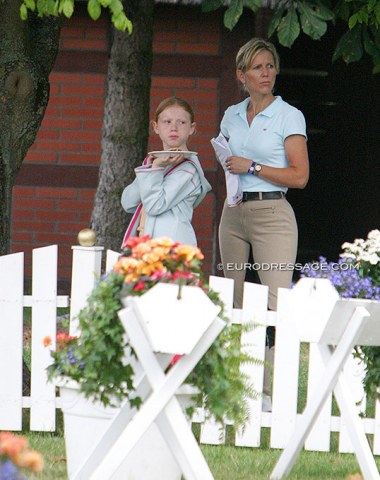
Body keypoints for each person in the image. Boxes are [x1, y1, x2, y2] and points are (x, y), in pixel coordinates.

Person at [218, 38, 309, 410]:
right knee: (232, 301)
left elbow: (300, 177)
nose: (266, 73)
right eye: (257, 67)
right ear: (242, 75)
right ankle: (228, 387)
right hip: (234, 213)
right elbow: (228, 162)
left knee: (276, 304)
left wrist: (252, 167)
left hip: (273, 215)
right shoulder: (231, 115)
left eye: (270, 66)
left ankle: (270, 391)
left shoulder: (290, 115)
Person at [121, 96, 211, 246]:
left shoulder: (188, 169)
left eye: (181, 122)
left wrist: (155, 170)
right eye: (167, 122)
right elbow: (128, 202)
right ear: (156, 127)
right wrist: (152, 168)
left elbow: (155, 206)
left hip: (173, 248)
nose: (174, 128)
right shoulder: (157, 163)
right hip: (148, 246)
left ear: (192, 128)